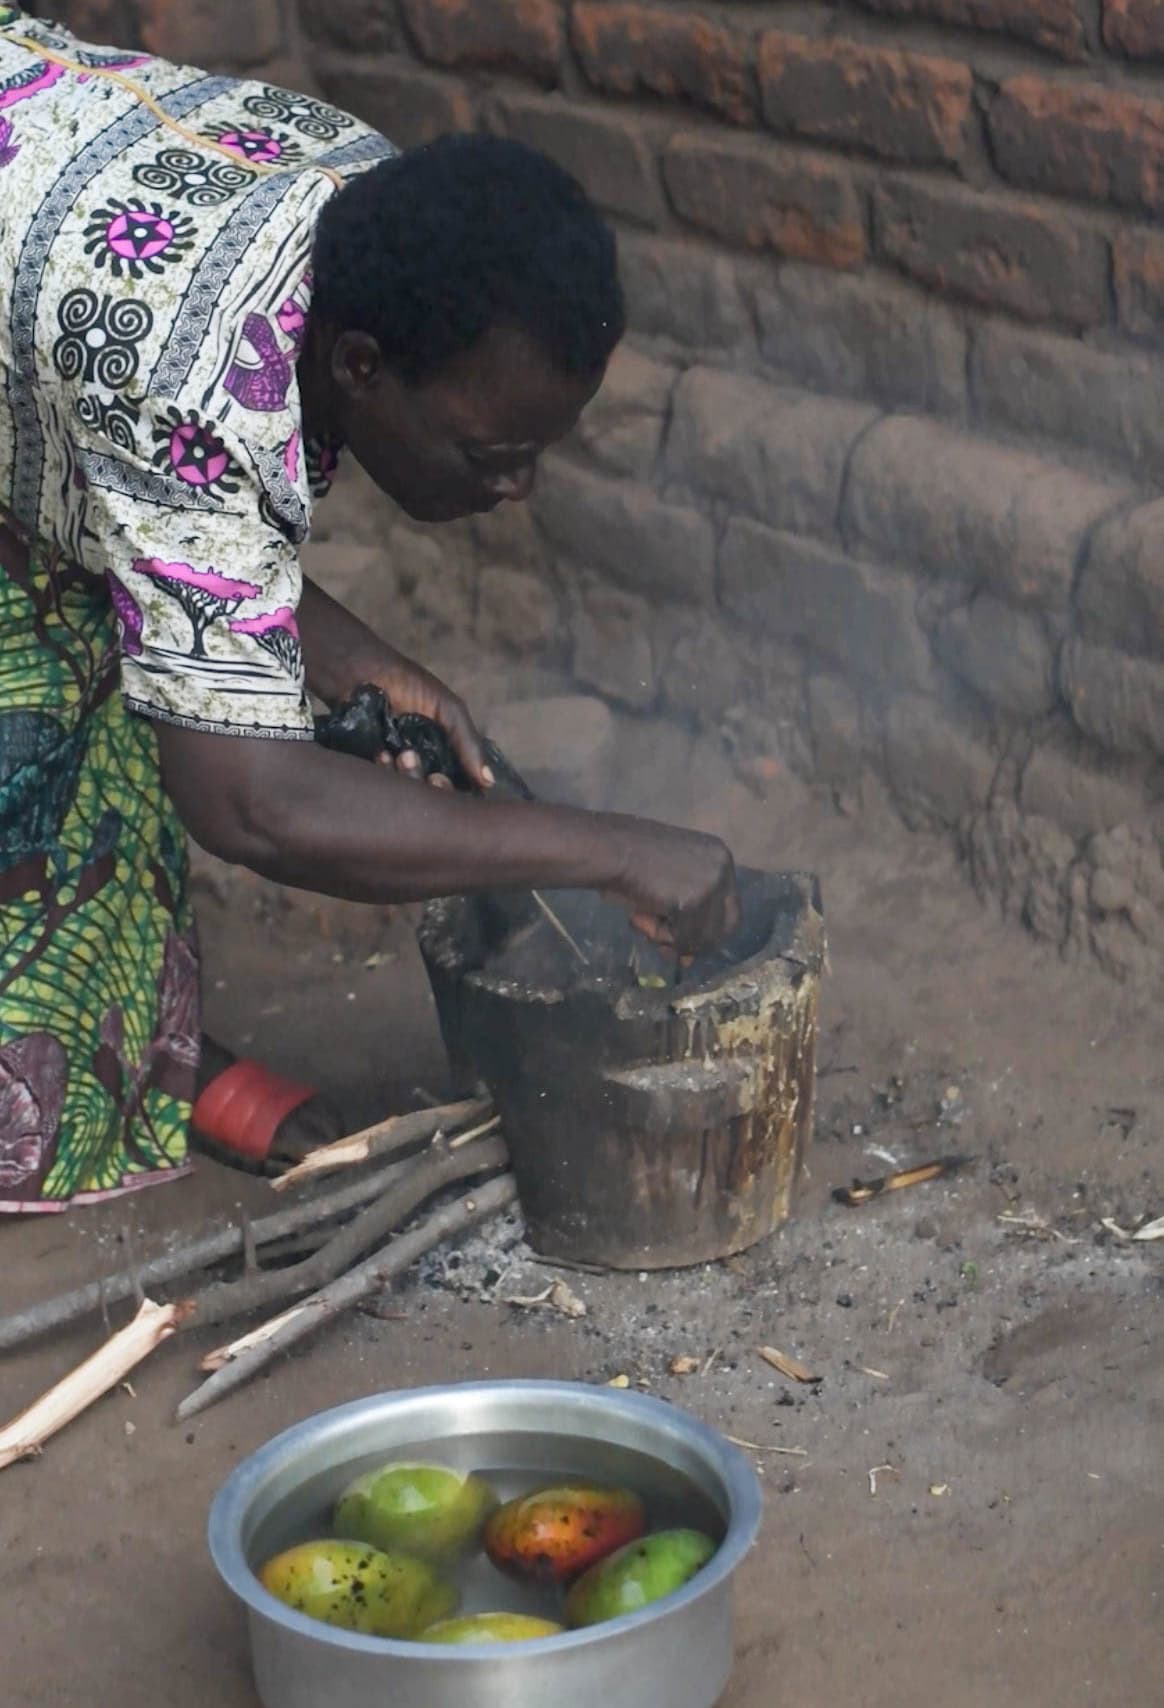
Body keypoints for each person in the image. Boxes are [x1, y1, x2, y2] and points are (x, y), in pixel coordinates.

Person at [0, 6, 739, 1211]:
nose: (517, 489)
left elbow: (182, 540)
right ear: (359, 367)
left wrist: (354, 657)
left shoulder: (368, 211)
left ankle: (137, 1052)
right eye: (491, 450)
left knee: (120, 639)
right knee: (46, 710)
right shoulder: (186, 385)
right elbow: (254, 802)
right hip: (74, 309)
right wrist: (615, 853)